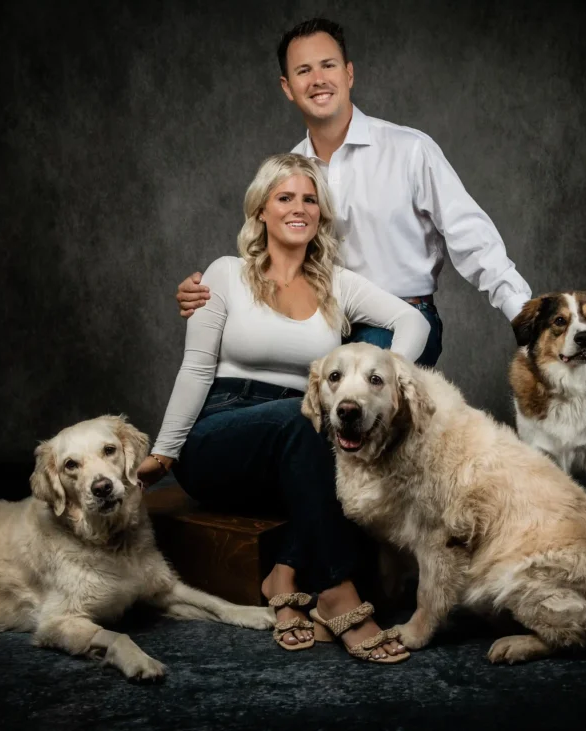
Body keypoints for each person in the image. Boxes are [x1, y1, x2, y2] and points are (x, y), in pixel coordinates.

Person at [137, 152, 430, 664]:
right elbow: (196, 369)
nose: (299, 208)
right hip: (221, 429)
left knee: (325, 439)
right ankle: (336, 591)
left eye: (310, 199)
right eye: (285, 197)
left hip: (299, 435)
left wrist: (394, 373)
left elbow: (415, 323)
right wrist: (164, 453)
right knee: (305, 424)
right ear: (262, 211)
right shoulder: (225, 274)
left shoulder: (338, 284)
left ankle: (283, 573)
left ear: (320, 215)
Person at [174, 17, 533, 368]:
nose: (317, 80)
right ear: (287, 87)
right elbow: (268, 255)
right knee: (238, 370)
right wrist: (211, 291)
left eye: (327, 66)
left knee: (353, 393)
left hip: (395, 320)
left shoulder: (408, 150)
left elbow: (471, 236)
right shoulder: (289, 173)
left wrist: (523, 313)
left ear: (348, 74)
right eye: (304, 71)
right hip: (316, 324)